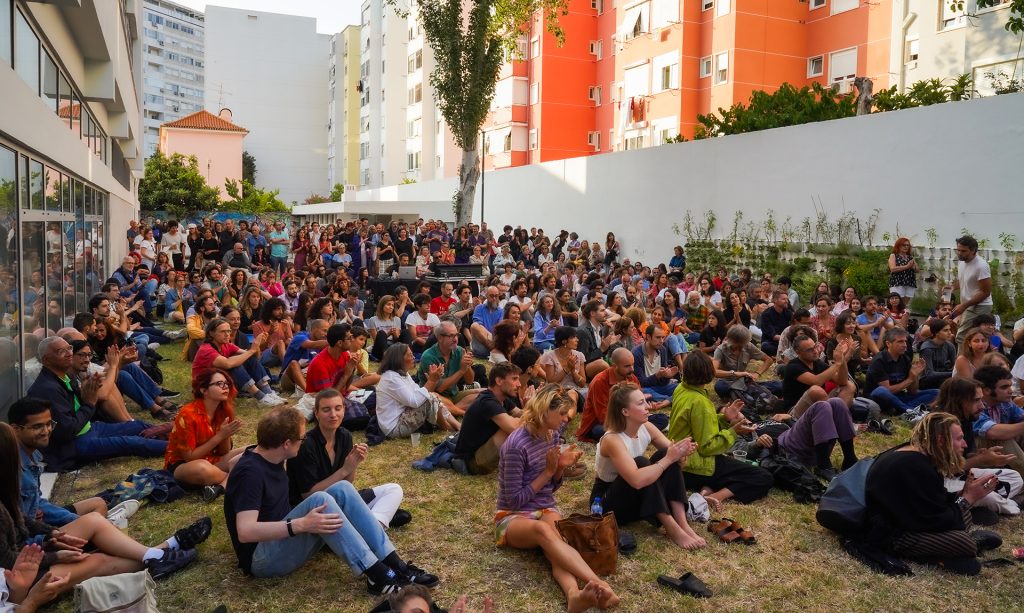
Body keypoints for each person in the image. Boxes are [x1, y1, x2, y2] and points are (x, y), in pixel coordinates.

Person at [223, 408, 437, 594]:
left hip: (282, 538)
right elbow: (246, 531)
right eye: (301, 439)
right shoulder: (250, 473)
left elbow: (233, 462)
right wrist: (301, 524)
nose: (304, 442)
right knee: (320, 500)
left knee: (342, 488)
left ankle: (394, 563)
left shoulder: (266, 453)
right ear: (286, 443)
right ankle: (377, 575)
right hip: (261, 558)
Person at [0, 422, 211, 588]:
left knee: (93, 520)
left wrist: (51, 533)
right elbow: (7, 560)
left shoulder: (6, 491)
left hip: (30, 550)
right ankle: (165, 550)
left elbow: (21, 518)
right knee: (97, 561)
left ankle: (159, 554)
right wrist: (53, 556)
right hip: (15, 578)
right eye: (16, 454)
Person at [495, 385, 620, 613]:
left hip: (544, 508)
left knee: (558, 544)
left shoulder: (551, 435)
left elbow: (551, 489)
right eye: (562, 413)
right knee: (544, 532)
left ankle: (574, 595)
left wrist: (560, 469)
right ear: (544, 411)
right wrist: (548, 472)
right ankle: (600, 585)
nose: (566, 419)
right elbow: (513, 501)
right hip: (511, 516)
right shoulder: (515, 446)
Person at [865, 412, 999, 575]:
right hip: (892, 533)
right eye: (959, 439)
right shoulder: (917, 465)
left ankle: (953, 544)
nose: (964, 444)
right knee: (965, 543)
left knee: (963, 514)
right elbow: (933, 520)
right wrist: (968, 498)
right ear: (941, 440)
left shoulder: (917, 453)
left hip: (909, 519)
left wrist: (964, 494)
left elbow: (933, 502)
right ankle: (943, 551)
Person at [592, 383, 705, 549]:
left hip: (635, 498)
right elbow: (636, 480)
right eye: (640, 403)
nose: (647, 406)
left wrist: (681, 453)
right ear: (625, 412)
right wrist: (670, 458)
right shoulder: (612, 439)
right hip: (607, 505)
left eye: (645, 401)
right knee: (642, 463)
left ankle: (682, 523)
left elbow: (674, 459)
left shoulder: (646, 427)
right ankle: (672, 528)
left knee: (665, 454)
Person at [26, 337, 166, 471]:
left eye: (69, 348)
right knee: (133, 442)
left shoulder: (65, 377)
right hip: (76, 443)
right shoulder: (48, 389)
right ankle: (175, 448)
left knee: (138, 426)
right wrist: (89, 403)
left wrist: (87, 394)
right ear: (47, 360)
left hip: (89, 429)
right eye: (61, 351)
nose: (69, 354)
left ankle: (173, 433)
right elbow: (68, 431)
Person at [287, 389, 410, 530]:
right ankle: (373, 523)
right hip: (314, 509)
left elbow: (347, 483)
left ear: (344, 410)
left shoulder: (344, 436)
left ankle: (373, 523)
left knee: (394, 489)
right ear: (316, 413)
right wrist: (345, 469)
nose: (333, 415)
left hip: (340, 499)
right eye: (326, 410)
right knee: (396, 514)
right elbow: (309, 495)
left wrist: (353, 464)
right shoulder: (306, 445)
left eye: (337, 408)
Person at [668, 351, 773, 508]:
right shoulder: (700, 402)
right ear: (709, 374)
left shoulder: (681, 389)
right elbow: (707, 447)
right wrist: (733, 432)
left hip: (680, 462)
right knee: (762, 477)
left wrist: (725, 418)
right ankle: (714, 497)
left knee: (732, 468)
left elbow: (696, 424)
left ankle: (708, 489)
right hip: (696, 466)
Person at [10, 398, 113, 527]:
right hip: (32, 533)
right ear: (15, 429)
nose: (46, 431)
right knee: (96, 524)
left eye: (49, 424)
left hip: (42, 520)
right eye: (37, 426)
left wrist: (73, 519)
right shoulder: (12, 467)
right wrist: (79, 522)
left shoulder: (33, 455)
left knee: (98, 503)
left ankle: (99, 528)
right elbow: (19, 525)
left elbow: (38, 504)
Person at [164, 368, 246, 503]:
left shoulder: (223, 410)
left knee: (252, 450)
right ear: (204, 390)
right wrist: (220, 436)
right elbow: (189, 457)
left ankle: (222, 485)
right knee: (202, 468)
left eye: (226, 383)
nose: (225, 387)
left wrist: (225, 435)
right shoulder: (188, 414)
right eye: (219, 383)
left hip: (212, 460)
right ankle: (237, 478)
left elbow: (223, 452)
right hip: (183, 465)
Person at [191, 319, 285, 406]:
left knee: (248, 359)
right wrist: (252, 350)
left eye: (228, 331)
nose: (227, 334)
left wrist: (257, 345)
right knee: (234, 365)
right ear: (211, 333)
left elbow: (254, 357)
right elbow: (228, 364)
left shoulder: (226, 345)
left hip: (219, 382)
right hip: (205, 387)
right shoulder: (206, 349)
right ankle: (261, 397)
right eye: (223, 331)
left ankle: (268, 392)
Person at [375, 344, 460, 438]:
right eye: (410, 355)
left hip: (403, 416)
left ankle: (457, 426)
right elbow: (415, 401)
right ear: (399, 359)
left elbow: (419, 393)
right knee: (431, 398)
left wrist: (432, 381)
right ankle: (447, 429)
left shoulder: (402, 374)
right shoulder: (391, 378)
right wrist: (431, 381)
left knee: (431, 396)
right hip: (394, 428)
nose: (414, 357)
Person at [865, 328, 939, 415]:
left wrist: (914, 375)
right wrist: (909, 379)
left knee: (938, 392)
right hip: (879, 399)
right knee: (881, 391)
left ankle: (904, 408)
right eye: (900, 342)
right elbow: (887, 390)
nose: (905, 345)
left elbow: (912, 391)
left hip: (899, 397)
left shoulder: (904, 358)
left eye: (905, 341)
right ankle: (910, 411)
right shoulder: (879, 360)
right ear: (888, 344)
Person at [780, 334, 856, 418]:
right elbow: (817, 381)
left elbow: (842, 381)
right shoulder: (793, 366)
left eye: (815, 347)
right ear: (798, 352)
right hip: (795, 411)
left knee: (849, 386)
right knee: (816, 390)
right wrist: (837, 363)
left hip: (819, 405)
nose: (815, 351)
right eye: (810, 350)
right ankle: (831, 419)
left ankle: (838, 418)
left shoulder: (817, 363)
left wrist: (842, 358)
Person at [414, 321, 480, 415]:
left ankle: (451, 410)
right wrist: (461, 371)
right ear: (440, 338)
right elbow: (440, 388)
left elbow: (470, 381)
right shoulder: (428, 356)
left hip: (454, 395)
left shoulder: (459, 351)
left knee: (486, 393)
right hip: (435, 397)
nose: (455, 339)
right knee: (436, 400)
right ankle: (457, 411)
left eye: (456, 335)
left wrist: (467, 366)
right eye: (451, 336)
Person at [973, 365, 1024, 473]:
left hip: (995, 449)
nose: (1011, 391)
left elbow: (1021, 418)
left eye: (1010, 386)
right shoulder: (974, 405)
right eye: (1004, 387)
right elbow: (992, 432)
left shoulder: (1005, 403)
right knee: (1002, 437)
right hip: (974, 454)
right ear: (987, 390)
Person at [712, 325, 779, 400]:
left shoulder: (748, 346)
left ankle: (744, 394)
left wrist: (757, 373)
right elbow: (714, 372)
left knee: (778, 386)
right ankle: (748, 394)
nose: (740, 348)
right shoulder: (721, 349)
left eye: (742, 345)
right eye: (737, 345)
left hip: (744, 382)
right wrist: (735, 373)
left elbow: (768, 360)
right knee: (720, 387)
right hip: (727, 382)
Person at [952, 235, 992, 344]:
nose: (959, 253)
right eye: (958, 250)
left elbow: (985, 292)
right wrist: (952, 287)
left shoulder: (981, 266)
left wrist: (964, 305)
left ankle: (961, 357)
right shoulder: (962, 261)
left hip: (980, 305)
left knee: (962, 336)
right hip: (968, 305)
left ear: (973, 250)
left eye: (963, 251)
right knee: (974, 337)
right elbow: (965, 280)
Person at [631, 325, 679, 402]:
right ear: (648, 337)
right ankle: (670, 400)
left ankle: (665, 399)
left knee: (679, 387)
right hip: (645, 388)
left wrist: (667, 376)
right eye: (658, 337)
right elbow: (641, 383)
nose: (661, 341)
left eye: (663, 337)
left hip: (660, 387)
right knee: (643, 391)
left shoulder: (662, 350)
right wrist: (657, 375)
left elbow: (664, 383)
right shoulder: (636, 354)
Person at [575, 299, 615, 380]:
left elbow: (601, 353)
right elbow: (582, 358)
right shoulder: (583, 331)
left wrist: (608, 346)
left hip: (597, 362)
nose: (606, 313)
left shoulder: (600, 328)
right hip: (583, 368)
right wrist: (602, 349)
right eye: (602, 311)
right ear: (592, 313)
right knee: (602, 364)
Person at [919, 318, 957, 389]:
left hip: (945, 380)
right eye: (945, 330)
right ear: (936, 333)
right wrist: (953, 373)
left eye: (950, 330)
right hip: (929, 384)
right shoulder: (927, 348)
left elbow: (954, 366)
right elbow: (929, 374)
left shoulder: (950, 346)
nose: (949, 332)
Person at [758, 291, 792, 356]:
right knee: (766, 346)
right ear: (775, 300)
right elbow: (773, 336)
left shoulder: (788, 313)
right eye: (783, 299)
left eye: (787, 299)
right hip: (772, 342)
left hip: (786, 342)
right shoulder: (766, 314)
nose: (786, 301)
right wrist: (786, 339)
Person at [888, 237, 918, 305]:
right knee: (897, 303)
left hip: (909, 282)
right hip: (897, 282)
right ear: (898, 245)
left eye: (908, 245)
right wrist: (906, 266)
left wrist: (914, 267)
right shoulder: (893, 256)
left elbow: (917, 270)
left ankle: (902, 312)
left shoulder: (910, 257)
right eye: (904, 245)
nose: (906, 247)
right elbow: (892, 269)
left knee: (904, 304)